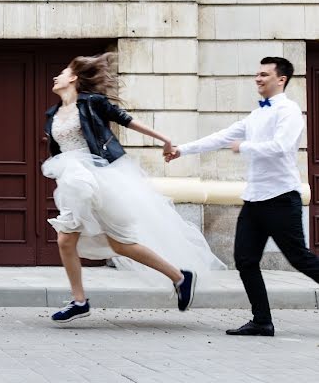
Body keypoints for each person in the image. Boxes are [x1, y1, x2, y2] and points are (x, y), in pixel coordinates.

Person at [45, 53, 224, 323]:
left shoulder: (92, 102)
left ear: (73, 78)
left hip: (96, 176)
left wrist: (164, 139)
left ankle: (179, 276)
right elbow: (59, 151)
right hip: (72, 178)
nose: (56, 77)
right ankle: (81, 300)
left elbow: (124, 119)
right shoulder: (53, 114)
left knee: (121, 243)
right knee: (71, 240)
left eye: (62, 72)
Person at [166, 56, 319, 337]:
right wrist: (181, 150)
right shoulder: (257, 114)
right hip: (255, 200)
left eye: (264, 74)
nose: (258, 79)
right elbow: (221, 137)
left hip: (281, 199)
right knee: (245, 260)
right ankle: (262, 321)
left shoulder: (289, 111)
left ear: (281, 79)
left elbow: (282, 147)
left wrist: (245, 147)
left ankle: (262, 320)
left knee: (300, 259)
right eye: (257, 74)